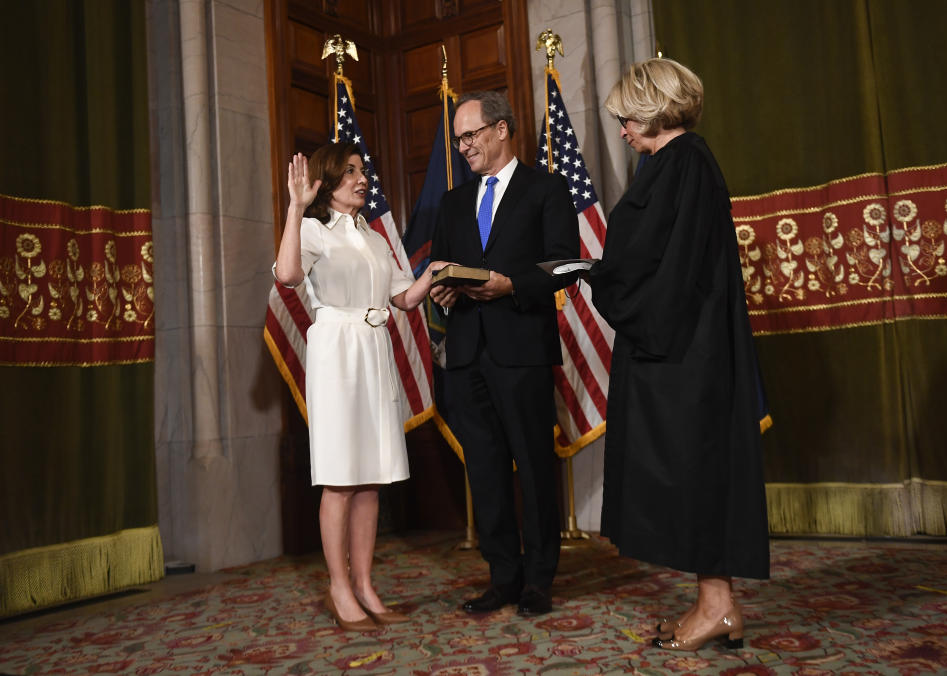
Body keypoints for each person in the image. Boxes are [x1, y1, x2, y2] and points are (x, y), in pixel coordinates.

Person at [588, 58, 770, 651]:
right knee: (692, 475)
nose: (622, 130)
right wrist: (606, 274)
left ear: (654, 108)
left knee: (697, 475)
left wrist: (601, 275)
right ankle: (712, 604)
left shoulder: (683, 162)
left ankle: (718, 606)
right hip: (681, 348)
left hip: (685, 356)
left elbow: (663, 266)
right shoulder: (674, 164)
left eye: (627, 118)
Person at [273, 143, 448, 632]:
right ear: (327, 182)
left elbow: (402, 298)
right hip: (337, 352)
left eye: (363, 170)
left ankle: (366, 585)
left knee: (371, 477)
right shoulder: (311, 228)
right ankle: (338, 588)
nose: (362, 178)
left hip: (375, 350)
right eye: (350, 171)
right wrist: (295, 207)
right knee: (341, 475)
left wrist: (434, 272)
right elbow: (287, 275)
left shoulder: (373, 236)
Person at [429, 91, 579, 616]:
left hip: (522, 349)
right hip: (467, 355)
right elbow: (443, 268)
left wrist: (510, 284)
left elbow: (564, 264)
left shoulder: (547, 189)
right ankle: (503, 577)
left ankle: (539, 580)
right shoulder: (451, 203)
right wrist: (445, 288)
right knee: (487, 471)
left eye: (470, 135)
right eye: (459, 139)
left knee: (535, 468)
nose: (464, 146)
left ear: (501, 130)